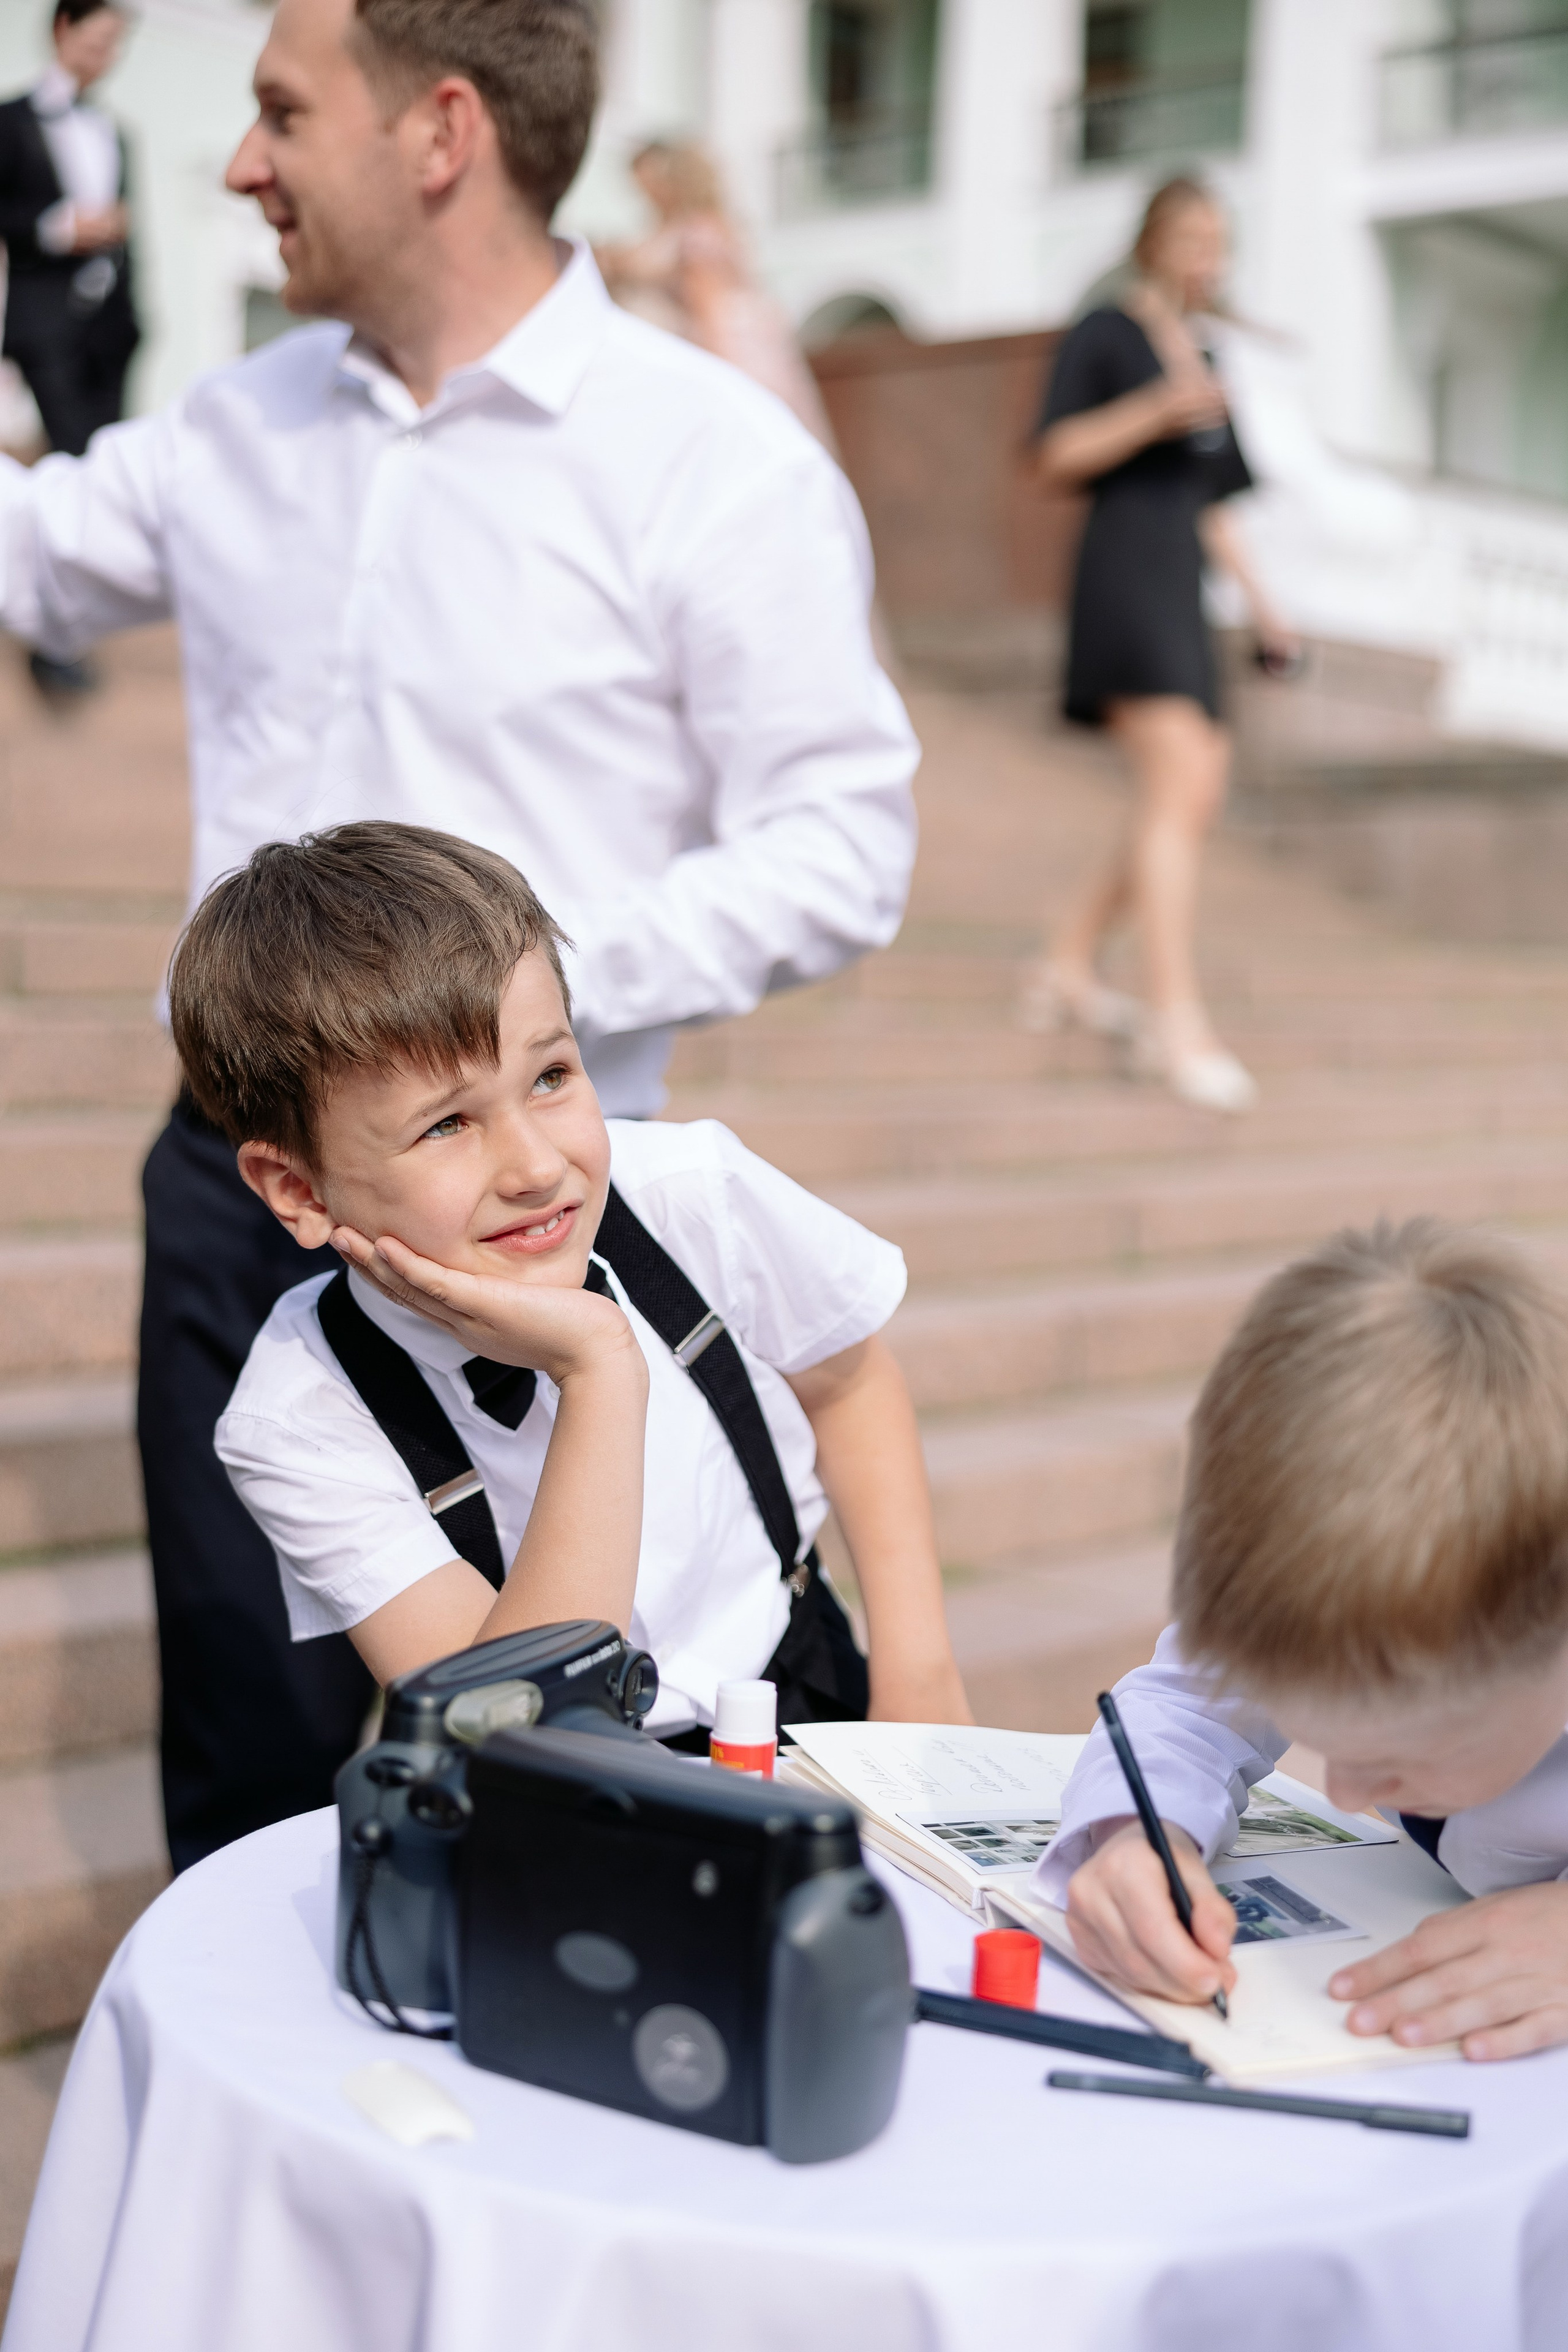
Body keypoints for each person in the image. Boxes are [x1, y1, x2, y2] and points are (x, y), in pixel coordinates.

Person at [0, 0, 918, 1870]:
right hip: (241, 1183)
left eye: (280, 113)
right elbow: (31, 552)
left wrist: (491, 1027)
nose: (237, 165)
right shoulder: (235, 422)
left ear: (437, 133)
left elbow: (844, 840)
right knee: (248, 1748)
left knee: (585, 1741)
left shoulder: (708, 457)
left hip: (552, 1201)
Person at [168, 822, 971, 1736]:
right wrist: (598, 1371)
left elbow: (850, 1385)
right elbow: (514, 1728)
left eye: (550, 1076)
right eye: (446, 1125)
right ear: (299, 1190)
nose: (537, 1166)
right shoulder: (300, 1417)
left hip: (801, 1690)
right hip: (555, 1781)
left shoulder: (687, 1195)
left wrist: (919, 1677)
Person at [1039, 1217, 1568, 2063]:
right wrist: (1141, 1834)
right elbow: (1188, 1704)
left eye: (1402, 1753)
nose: (1346, 1793)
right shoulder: (1332, 1579)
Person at [1022, 178, 1295, 1115]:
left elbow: (1213, 503)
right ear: (1152, 241)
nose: (1204, 253)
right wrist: (1156, 410)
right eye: (1190, 234)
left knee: (1192, 790)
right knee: (1179, 779)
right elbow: (1053, 453)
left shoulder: (1209, 351)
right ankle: (1176, 1023)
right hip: (1123, 572)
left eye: (1217, 237)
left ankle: (1066, 960)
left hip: (1184, 581)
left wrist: (1265, 608)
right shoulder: (1108, 332)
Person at [0, 0, 138, 696]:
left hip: (107, 330)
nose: (107, 55)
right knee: (65, 462)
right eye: (99, 38)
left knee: (91, 470)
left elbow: (133, 234)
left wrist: (137, 323)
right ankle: (50, 641)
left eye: (117, 44)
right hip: (42, 323)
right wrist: (60, 228)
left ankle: (61, 628)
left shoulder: (117, 131)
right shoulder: (11, 121)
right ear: (63, 29)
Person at [595, 140, 835, 447]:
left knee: (749, 433)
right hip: (745, 340)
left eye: (650, 182)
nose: (645, 193)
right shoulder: (701, 226)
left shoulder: (695, 236)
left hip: (730, 346)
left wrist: (713, 375)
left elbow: (709, 309)